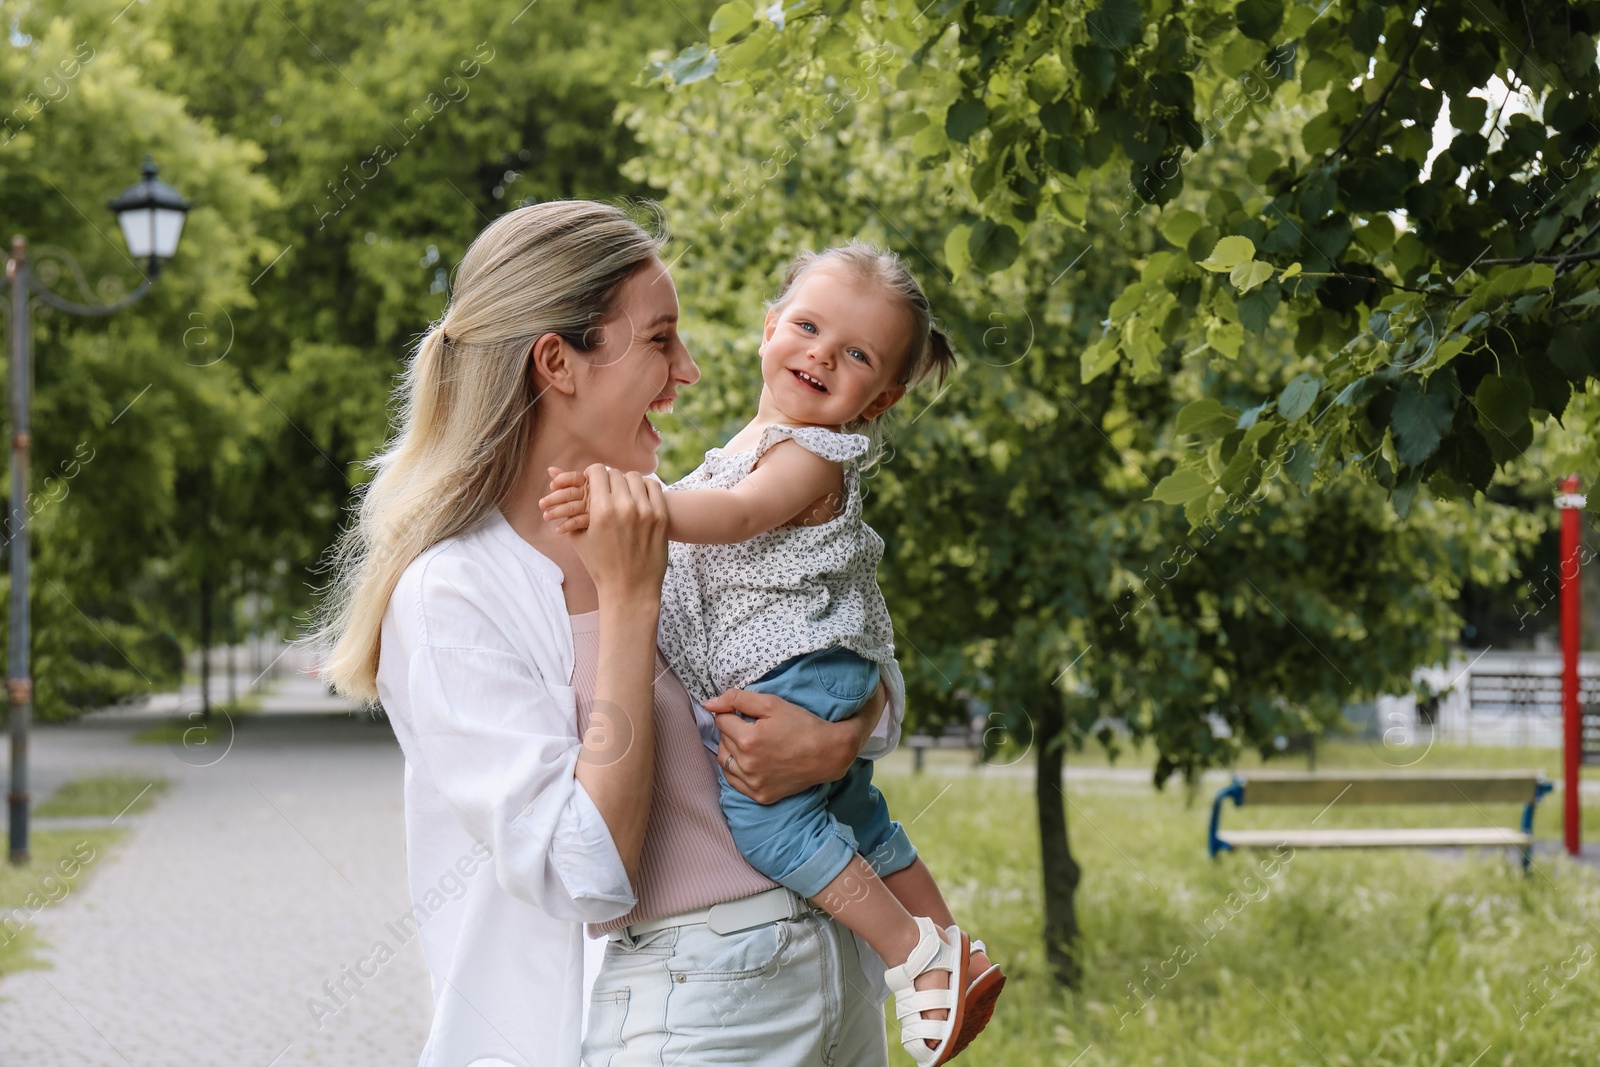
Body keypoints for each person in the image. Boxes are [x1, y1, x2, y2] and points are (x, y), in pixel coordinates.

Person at [316, 202, 907, 1067]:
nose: (691, 372)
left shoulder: (667, 508)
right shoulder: (455, 595)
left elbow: (833, 639)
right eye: (661, 341)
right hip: (640, 1013)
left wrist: (844, 733)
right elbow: (585, 870)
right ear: (558, 362)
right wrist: (630, 605)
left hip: (825, 972)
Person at [542, 243, 1004, 1066]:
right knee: (858, 814)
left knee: (768, 821)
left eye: (856, 353)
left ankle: (910, 952)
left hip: (804, 671)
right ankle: (951, 945)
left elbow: (739, 515)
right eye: (809, 325)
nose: (823, 353)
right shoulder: (748, 447)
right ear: (769, 328)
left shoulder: (808, 456)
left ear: (882, 397)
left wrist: (637, 503)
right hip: (813, 670)